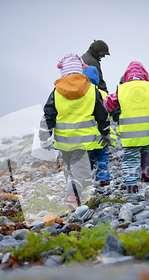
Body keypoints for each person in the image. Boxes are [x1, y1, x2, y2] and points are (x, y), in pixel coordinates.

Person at [39, 53, 111, 208]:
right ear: (80, 70)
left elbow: (48, 116)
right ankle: (73, 196)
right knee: (82, 170)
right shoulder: (92, 90)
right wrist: (106, 134)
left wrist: (44, 137)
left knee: (70, 168)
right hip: (85, 141)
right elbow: (101, 115)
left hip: (64, 142)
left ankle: (76, 194)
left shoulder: (56, 92)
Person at [104, 61, 149, 194]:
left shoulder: (121, 89)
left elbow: (108, 105)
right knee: (148, 148)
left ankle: (130, 187)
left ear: (127, 75)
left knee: (130, 159)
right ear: (144, 74)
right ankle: (145, 169)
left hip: (129, 134)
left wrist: (101, 121)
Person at [82, 65, 117, 187]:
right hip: (102, 133)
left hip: (88, 135)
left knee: (88, 159)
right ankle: (103, 178)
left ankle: (85, 180)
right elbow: (109, 109)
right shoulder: (102, 93)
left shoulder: (83, 95)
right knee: (102, 155)